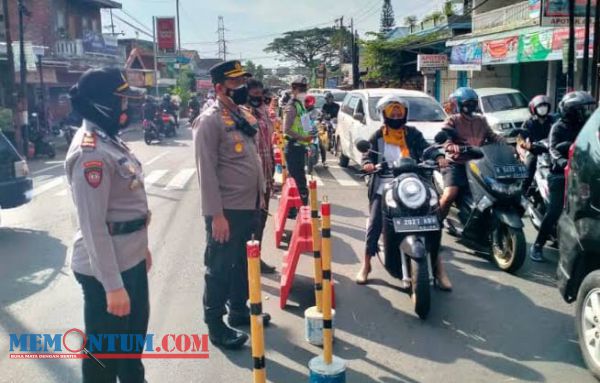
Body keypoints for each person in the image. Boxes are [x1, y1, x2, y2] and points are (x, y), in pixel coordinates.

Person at [65, 67, 151, 382]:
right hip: (106, 270)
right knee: (104, 359)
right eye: (121, 100)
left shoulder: (108, 139)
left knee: (131, 350)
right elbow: (93, 227)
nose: (126, 107)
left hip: (130, 258)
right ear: (102, 102)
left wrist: (143, 250)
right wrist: (112, 286)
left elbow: (125, 206)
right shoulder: (92, 154)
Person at [193, 60, 271, 350]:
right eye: (235, 84)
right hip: (226, 211)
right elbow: (207, 172)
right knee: (219, 268)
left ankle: (240, 310)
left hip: (249, 206)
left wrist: (260, 196)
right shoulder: (209, 120)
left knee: (242, 264)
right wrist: (216, 215)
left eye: (242, 83)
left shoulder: (241, 115)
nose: (241, 89)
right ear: (219, 88)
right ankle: (215, 325)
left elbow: (253, 156)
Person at [355, 96, 446, 286]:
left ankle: (438, 268)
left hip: (414, 184)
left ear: (404, 114)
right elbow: (367, 153)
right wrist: (368, 164)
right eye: (392, 112)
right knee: (374, 223)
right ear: (385, 115)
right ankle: (366, 264)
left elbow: (427, 149)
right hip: (385, 185)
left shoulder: (412, 133)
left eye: (399, 112)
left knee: (434, 221)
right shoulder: (378, 135)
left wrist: (438, 156)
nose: (396, 115)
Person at [437, 87, 506, 288]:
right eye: (466, 104)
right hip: (456, 165)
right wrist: (454, 147)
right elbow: (446, 142)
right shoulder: (452, 121)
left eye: (472, 104)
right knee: (450, 194)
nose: (470, 107)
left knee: (491, 193)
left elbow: (493, 137)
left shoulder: (481, 120)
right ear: (458, 105)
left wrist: (506, 144)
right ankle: (435, 228)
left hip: (479, 163)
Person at [530, 91, 596, 262]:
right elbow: (552, 149)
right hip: (560, 175)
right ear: (571, 111)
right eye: (583, 109)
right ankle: (537, 245)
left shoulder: (586, 127)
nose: (587, 112)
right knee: (555, 210)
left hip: (583, 174)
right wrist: (562, 162)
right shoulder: (558, 127)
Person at [247, 78, 277, 274]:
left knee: (261, 221)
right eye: (254, 96)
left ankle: (256, 258)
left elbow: (269, 141)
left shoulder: (264, 113)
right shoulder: (243, 115)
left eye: (261, 96)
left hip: (266, 174)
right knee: (250, 221)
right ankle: (247, 262)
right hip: (250, 180)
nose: (258, 99)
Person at [283, 76, 313, 205]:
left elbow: (304, 124)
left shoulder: (301, 105)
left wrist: (310, 135)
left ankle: (295, 208)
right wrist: (303, 138)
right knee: (298, 181)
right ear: (293, 89)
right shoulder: (291, 107)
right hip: (293, 147)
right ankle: (301, 209)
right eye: (300, 89)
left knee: (298, 178)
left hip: (301, 147)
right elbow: (286, 129)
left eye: (304, 89)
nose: (303, 91)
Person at [519, 95, 555, 196]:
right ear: (534, 109)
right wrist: (525, 145)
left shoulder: (553, 120)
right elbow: (520, 138)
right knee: (529, 167)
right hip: (534, 151)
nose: (543, 108)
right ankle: (522, 192)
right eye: (540, 106)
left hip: (550, 150)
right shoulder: (529, 122)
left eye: (545, 105)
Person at [305, 95, 327, 168]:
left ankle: (324, 161)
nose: (307, 104)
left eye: (309, 102)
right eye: (306, 102)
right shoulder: (301, 111)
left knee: (322, 146)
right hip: (303, 133)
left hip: (314, 133)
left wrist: (322, 121)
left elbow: (321, 119)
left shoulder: (317, 112)